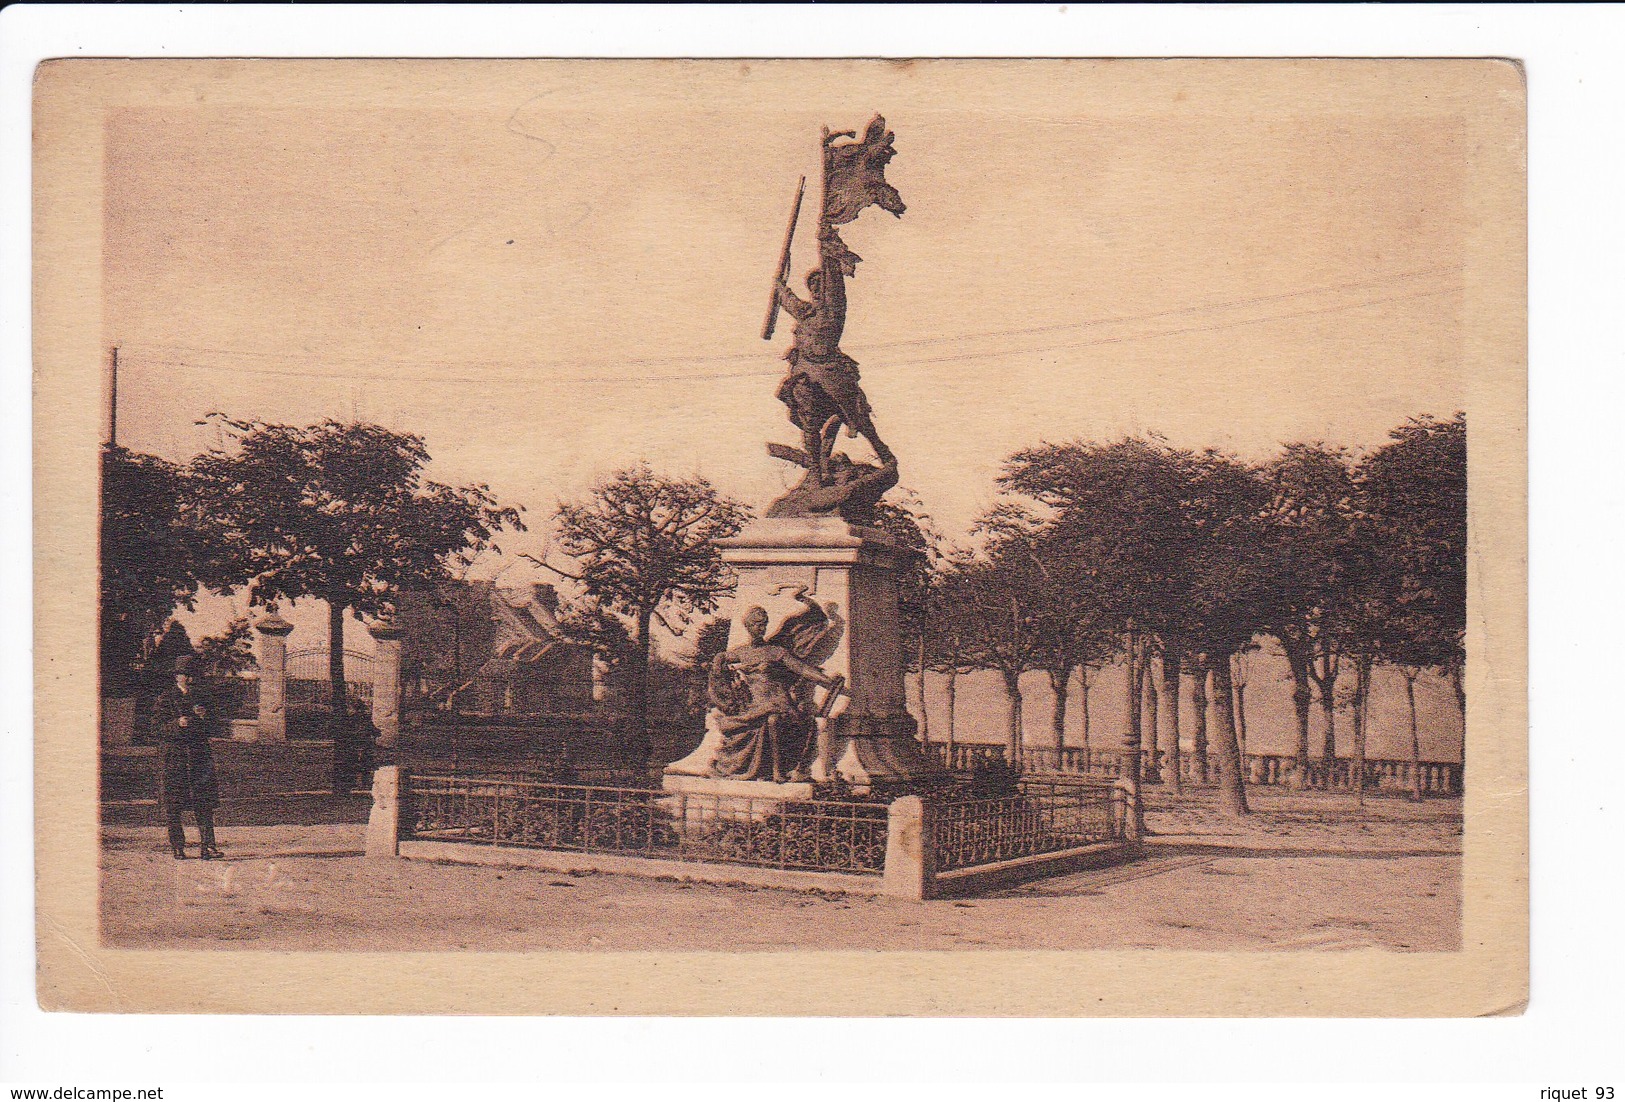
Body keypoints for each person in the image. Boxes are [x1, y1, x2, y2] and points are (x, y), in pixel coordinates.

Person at [709, 605, 844, 783]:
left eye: (764, 624)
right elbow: (720, 663)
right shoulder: (740, 653)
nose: (761, 628)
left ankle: (778, 771)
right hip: (754, 705)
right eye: (757, 624)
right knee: (758, 720)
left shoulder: (776, 651)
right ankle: (757, 769)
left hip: (779, 702)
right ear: (748, 626)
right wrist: (718, 661)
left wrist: (827, 681)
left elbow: (802, 669)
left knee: (773, 719)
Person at [150, 656, 222, 860]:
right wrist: (176, 724)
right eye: (185, 675)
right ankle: (177, 846)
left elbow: (215, 727)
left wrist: (204, 717)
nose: (189, 679)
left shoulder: (203, 698)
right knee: (173, 805)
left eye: (192, 675)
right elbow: (155, 728)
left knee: (204, 803)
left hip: (199, 756)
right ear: (177, 676)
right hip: (174, 758)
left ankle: (208, 846)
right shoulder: (165, 698)